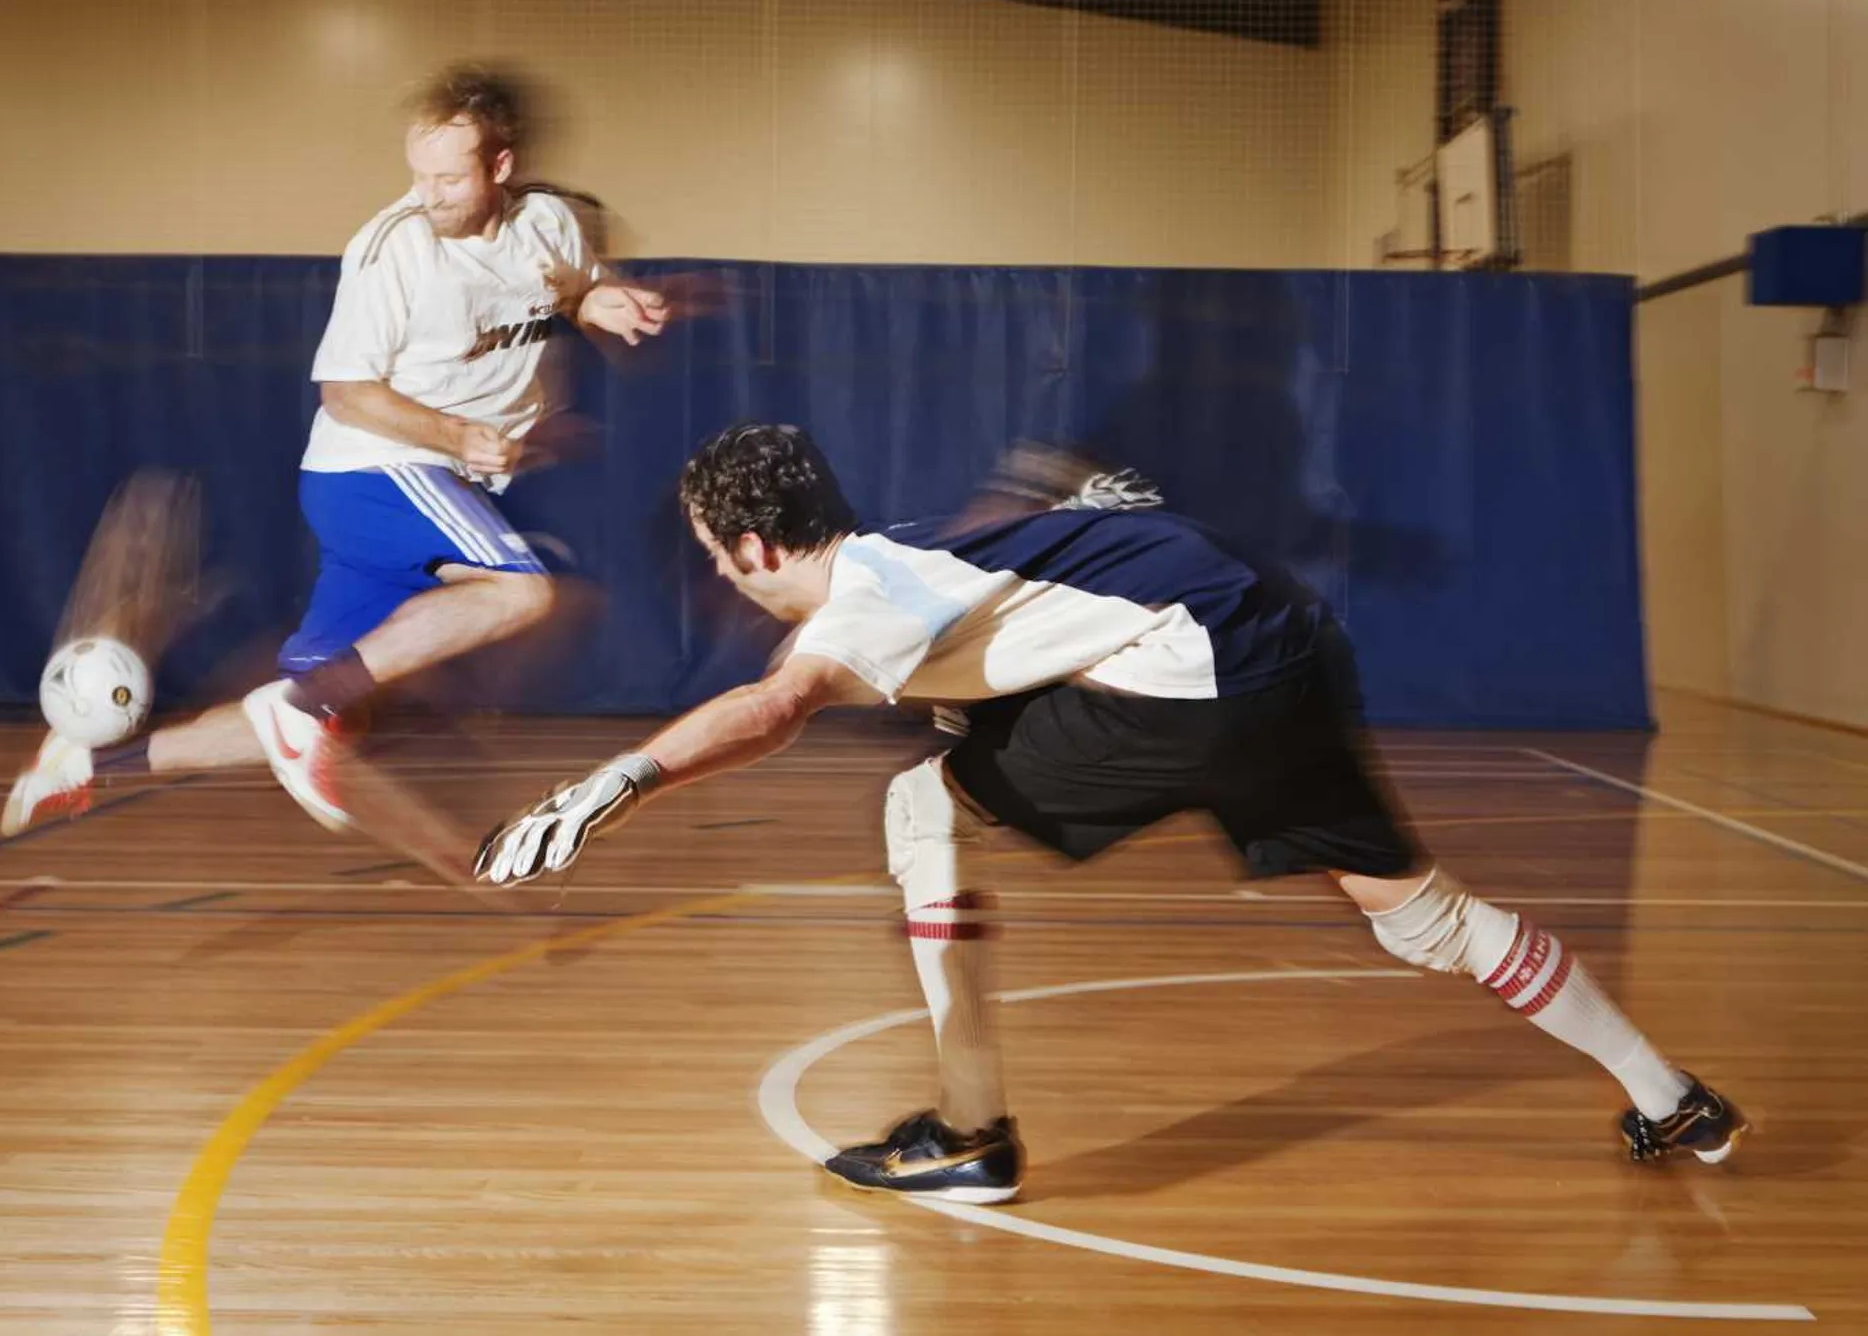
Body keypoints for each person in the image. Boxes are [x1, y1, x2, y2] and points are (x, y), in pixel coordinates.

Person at [474, 422, 1746, 1204]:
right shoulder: (924, 554)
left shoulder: (867, 593)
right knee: (1418, 915)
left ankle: (970, 1134)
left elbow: (774, 706)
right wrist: (1072, 498)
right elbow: (1048, 558)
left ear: (753, 548)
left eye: (712, 554)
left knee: (921, 805)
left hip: (1194, 673)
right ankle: (1669, 1094)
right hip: (1281, 641)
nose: (718, 573)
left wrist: (616, 780)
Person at [3, 63, 668, 837]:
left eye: (449, 179)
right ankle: (301, 712)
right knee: (520, 594)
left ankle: (85, 764)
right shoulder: (391, 250)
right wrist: (459, 434)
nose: (429, 194)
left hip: (417, 489)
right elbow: (346, 391)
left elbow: (564, 285)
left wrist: (597, 299)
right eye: (418, 175)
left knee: (319, 704)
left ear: (501, 166)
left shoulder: (547, 222)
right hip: (375, 469)